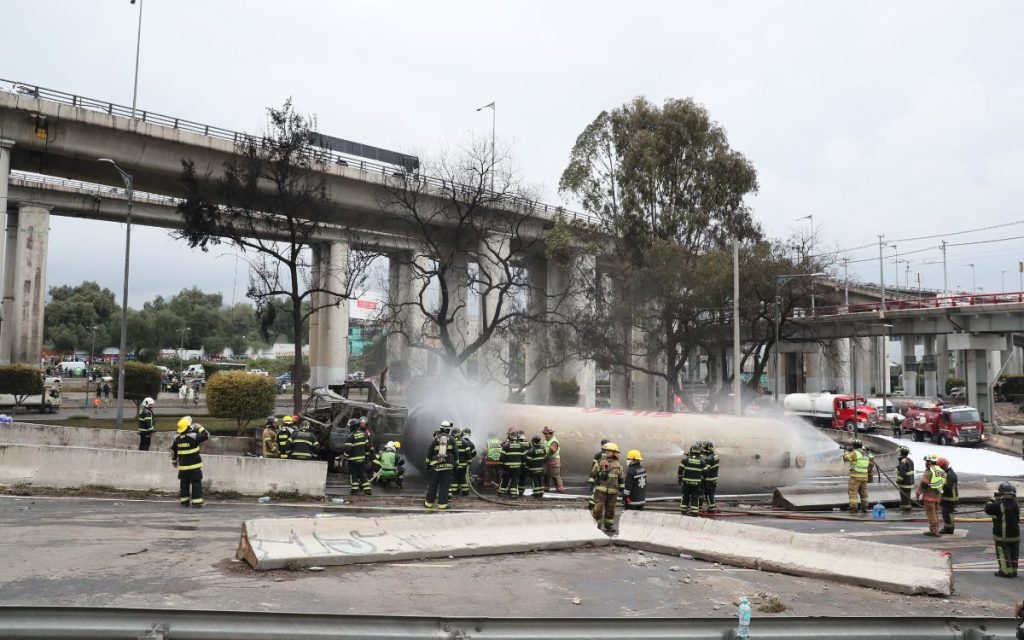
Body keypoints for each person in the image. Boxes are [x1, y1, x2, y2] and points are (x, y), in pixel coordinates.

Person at [171, 416, 209, 508]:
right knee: (196, 484)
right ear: (188, 427)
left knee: (184, 485)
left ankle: (184, 502)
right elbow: (207, 435)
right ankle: (197, 502)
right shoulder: (194, 437)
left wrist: (174, 461)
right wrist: (199, 427)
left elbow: (173, 451)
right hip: (194, 468)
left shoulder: (177, 439)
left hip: (183, 469)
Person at [985, 481, 1020, 578]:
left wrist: (990, 501)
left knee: (1003, 553)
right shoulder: (1015, 503)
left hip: (1002, 536)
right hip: (1015, 535)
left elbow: (988, 509)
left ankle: (1005, 572)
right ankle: (1013, 571)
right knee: (1014, 554)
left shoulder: (998, 504)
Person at [589, 442, 624, 533]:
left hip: (613, 493)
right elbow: (593, 473)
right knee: (598, 509)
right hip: (601, 491)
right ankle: (596, 525)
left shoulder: (618, 465)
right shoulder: (601, 462)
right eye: (606, 451)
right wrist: (591, 482)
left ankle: (609, 526)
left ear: (614, 453)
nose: (607, 452)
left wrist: (622, 489)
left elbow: (621, 478)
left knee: (611, 510)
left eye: (609, 451)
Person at [424, 421, 457, 510]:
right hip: (448, 467)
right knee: (444, 486)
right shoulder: (452, 440)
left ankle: (428, 504)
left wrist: (427, 467)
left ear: (441, 428)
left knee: (433, 485)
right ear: (449, 430)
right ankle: (442, 505)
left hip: (435, 466)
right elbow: (456, 455)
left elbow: (429, 455)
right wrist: (455, 467)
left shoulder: (435, 439)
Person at [915, 453, 946, 536]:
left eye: (927, 461)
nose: (926, 463)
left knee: (931, 514)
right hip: (937, 497)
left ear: (930, 462)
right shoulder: (941, 471)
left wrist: (918, 493)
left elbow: (923, 484)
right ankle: (936, 529)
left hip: (929, 497)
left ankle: (933, 531)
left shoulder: (929, 471)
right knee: (935, 513)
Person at [343, 418, 372, 495]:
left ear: (352, 427)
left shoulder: (350, 436)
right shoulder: (364, 434)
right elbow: (367, 447)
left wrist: (344, 458)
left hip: (353, 461)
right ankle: (367, 490)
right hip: (362, 459)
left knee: (354, 474)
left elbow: (348, 449)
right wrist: (366, 456)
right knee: (363, 474)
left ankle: (354, 490)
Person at [842, 441, 873, 513]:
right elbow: (870, 464)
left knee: (853, 492)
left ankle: (853, 507)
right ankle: (864, 507)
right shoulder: (865, 454)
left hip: (855, 477)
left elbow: (846, 458)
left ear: (854, 446)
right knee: (863, 492)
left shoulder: (855, 453)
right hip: (864, 477)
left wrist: (847, 451)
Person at [678, 443, 706, 516]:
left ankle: (683, 510)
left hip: (686, 483)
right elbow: (706, 472)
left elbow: (680, 470)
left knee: (685, 496)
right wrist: (703, 480)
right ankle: (694, 512)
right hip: (696, 484)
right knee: (695, 497)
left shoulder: (685, 460)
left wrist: (680, 478)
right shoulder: (702, 462)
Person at [498, 427, 526, 498]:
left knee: (505, 479)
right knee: (515, 479)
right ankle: (513, 493)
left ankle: (501, 492)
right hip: (517, 467)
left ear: (510, 436)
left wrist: (502, 464)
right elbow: (524, 457)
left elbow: (502, 457)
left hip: (507, 467)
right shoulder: (521, 445)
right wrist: (522, 465)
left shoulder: (506, 445)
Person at [587, 439, 611, 510]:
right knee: (600, 490)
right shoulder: (607, 454)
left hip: (602, 475)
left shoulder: (600, 454)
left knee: (597, 490)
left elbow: (593, 466)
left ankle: (592, 504)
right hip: (603, 475)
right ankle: (595, 504)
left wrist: (591, 478)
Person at [453, 427, 477, 496]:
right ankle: (465, 491)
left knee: (455, 478)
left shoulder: (453, 442)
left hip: (455, 464)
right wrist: (469, 460)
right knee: (464, 478)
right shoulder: (470, 443)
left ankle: (455, 490)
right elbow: (473, 454)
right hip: (464, 464)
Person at [937, 457, 958, 534]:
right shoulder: (950, 473)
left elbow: (946, 487)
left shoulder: (948, 475)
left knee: (947, 514)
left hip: (949, 498)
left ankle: (949, 529)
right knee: (947, 513)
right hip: (950, 497)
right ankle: (948, 527)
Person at [542, 426, 564, 493]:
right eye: (545, 434)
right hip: (548, 461)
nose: (546, 435)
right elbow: (545, 448)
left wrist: (545, 456)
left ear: (551, 434)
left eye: (547, 434)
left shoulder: (554, 441)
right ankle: (546, 487)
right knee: (546, 474)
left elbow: (553, 450)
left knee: (555, 475)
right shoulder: (546, 440)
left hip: (554, 461)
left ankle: (560, 489)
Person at [702, 440, 720, 514]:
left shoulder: (709, 459)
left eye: (704, 449)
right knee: (711, 493)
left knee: (708, 494)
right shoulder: (715, 455)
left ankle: (711, 509)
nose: (703, 451)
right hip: (715, 478)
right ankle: (712, 505)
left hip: (709, 479)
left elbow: (706, 470)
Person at [895, 445, 915, 513]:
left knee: (904, 496)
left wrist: (898, 480)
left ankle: (907, 509)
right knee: (906, 495)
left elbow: (902, 473)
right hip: (909, 481)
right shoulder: (910, 460)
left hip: (905, 482)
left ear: (902, 453)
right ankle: (905, 506)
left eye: (899, 452)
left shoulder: (903, 461)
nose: (899, 453)